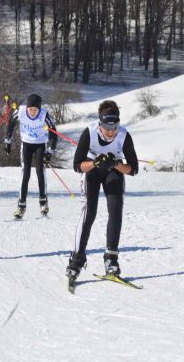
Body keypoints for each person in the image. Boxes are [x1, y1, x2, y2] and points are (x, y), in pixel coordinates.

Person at [65, 100, 138, 279]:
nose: (111, 132)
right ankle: (77, 258)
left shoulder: (124, 135)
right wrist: (94, 162)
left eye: (115, 127)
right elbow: (77, 165)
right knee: (89, 211)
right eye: (107, 127)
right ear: (100, 124)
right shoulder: (89, 132)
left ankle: (111, 258)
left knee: (115, 208)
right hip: (92, 171)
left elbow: (133, 169)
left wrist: (115, 164)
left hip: (113, 171)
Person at [4, 93, 57, 218]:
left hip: (40, 144)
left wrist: (50, 151)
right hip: (26, 144)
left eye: (35, 110)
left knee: (40, 171)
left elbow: (54, 134)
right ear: (27, 108)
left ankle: (43, 202)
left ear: (39, 109)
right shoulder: (20, 112)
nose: (32, 112)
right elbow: (10, 124)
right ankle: (21, 205)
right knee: (25, 173)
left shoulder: (44, 115)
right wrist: (7, 141)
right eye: (30, 109)